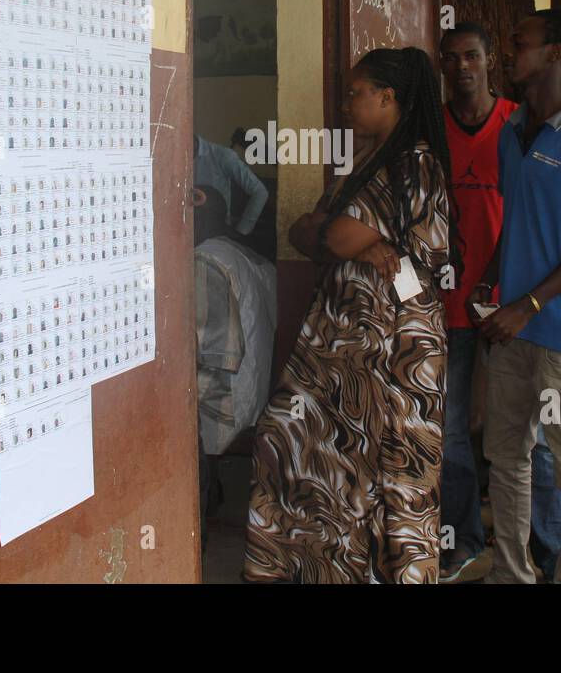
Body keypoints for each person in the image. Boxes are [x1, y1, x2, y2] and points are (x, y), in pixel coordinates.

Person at [243, 46, 452, 584]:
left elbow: (332, 233)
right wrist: (349, 243)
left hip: (392, 352)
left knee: (392, 476)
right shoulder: (365, 162)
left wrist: (339, 239)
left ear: (389, 98)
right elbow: (305, 231)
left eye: (357, 93)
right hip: (344, 347)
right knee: (290, 438)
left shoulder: (413, 163)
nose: (347, 103)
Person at [467, 8, 561, 584]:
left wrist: (526, 304)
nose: (510, 52)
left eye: (520, 42)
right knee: (506, 460)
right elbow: (519, 222)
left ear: (555, 54)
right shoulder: (511, 134)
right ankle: (511, 571)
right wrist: (490, 275)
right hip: (512, 332)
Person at [436, 21, 517, 584]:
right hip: (450, 303)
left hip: (516, 305)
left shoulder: (518, 123)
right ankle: (463, 538)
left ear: (490, 61)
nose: (461, 66)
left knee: (519, 429)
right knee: (453, 427)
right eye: (451, 57)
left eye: (471, 56)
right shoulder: (431, 128)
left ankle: (530, 546)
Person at [193, 186, 277, 525]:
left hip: (224, 402)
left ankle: (203, 494)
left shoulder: (205, 260)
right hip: (254, 396)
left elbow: (215, 356)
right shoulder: (242, 254)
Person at [193, 133, 269, 237]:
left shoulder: (222, 155)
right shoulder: (171, 155)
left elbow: (260, 191)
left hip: (215, 232)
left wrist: (242, 231)